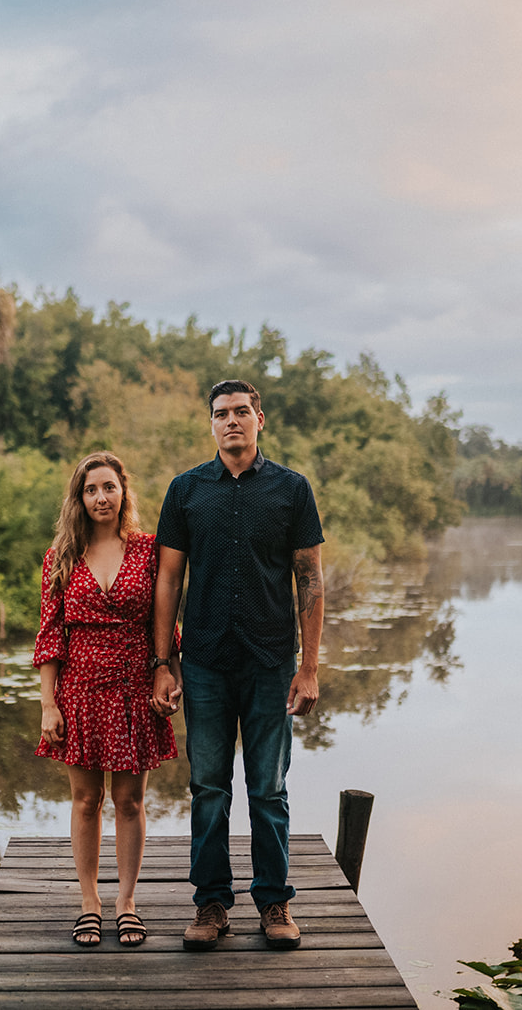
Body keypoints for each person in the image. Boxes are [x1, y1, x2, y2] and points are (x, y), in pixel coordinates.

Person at [150, 379, 325, 952]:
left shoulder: (291, 489)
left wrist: (309, 667)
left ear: (260, 419)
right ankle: (211, 904)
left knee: (269, 790)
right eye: (221, 413)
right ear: (211, 424)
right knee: (207, 787)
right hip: (203, 664)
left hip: (272, 662)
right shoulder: (186, 490)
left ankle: (274, 903)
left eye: (241, 412)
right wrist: (164, 663)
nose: (232, 421)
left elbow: (310, 581)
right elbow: (169, 579)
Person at [34, 451, 177, 948]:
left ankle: (127, 903)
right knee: (86, 799)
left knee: (130, 801)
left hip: (135, 687)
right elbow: (50, 637)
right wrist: (49, 705)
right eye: (91, 489)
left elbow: (164, 622)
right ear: (79, 498)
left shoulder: (147, 549)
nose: (101, 497)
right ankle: (90, 902)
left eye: (109, 487)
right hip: (81, 692)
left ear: (123, 491)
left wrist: (168, 674)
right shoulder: (61, 557)